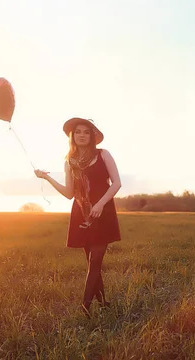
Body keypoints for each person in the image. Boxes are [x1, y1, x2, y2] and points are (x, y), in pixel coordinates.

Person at [34, 117, 122, 317]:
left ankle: (85, 309)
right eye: (78, 132)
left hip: (103, 212)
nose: (82, 135)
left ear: (92, 136)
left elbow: (116, 183)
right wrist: (47, 178)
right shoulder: (70, 162)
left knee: (95, 262)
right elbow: (69, 193)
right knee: (91, 262)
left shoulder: (103, 154)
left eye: (86, 132)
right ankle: (103, 302)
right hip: (81, 214)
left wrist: (100, 204)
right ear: (72, 136)